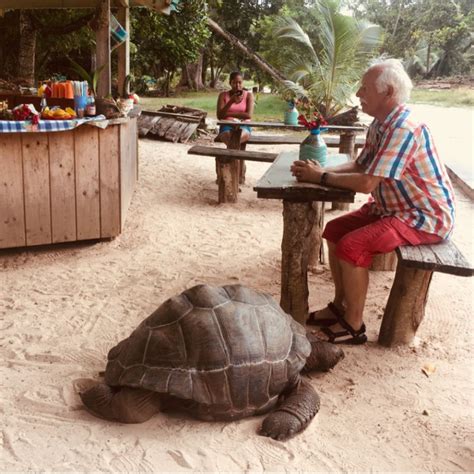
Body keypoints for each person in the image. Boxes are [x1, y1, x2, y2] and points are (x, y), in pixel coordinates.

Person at [290, 58, 455, 345]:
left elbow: (367, 182)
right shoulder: (381, 124)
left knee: (353, 246)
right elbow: (360, 163)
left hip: (424, 216)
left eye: (364, 88)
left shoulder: (404, 129)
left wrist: (320, 178)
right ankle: (340, 306)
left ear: (388, 92)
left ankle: (354, 325)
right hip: (393, 208)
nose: (358, 94)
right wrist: (320, 170)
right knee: (334, 231)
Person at [216, 71, 254, 146]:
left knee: (235, 140)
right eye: (234, 83)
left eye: (240, 83)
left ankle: (225, 158)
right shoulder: (223, 95)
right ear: (230, 83)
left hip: (244, 125)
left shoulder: (249, 95)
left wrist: (227, 115)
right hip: (226, 125)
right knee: (230, 139)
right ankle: (237, 158)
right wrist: (231, 101)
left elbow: (248, 115)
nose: (237, 85)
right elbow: (219, 116)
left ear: (242, 83)